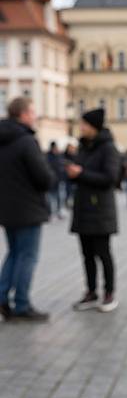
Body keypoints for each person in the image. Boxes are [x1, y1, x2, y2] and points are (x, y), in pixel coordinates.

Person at [0, 97, 55, 321]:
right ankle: (22, 304)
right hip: (28, 209)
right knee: (27, 257)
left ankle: (2, 298)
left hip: (6, 209)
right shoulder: (26, 140)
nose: (35, 116)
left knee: (13, 253)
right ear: (22, 114)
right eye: (32, 112)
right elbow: (43, 177)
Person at [67, 108, 121, 313]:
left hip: (100, 211)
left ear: (94, 127)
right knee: (87, 254)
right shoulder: (83, 146)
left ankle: (109, 293)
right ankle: (91, 292)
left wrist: (81, 173)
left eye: (84, 124)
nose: (81, 128)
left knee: (103, 254)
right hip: (82, 209)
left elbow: (110, 177)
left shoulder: (108, 148)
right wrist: (73, 173)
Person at [46, 141, 65, 219]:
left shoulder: (59, 156)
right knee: (50, 198)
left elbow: (61, 166)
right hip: (51, 181)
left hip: (59, 180)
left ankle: (59, 212)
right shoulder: (47, 156)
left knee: (60, 197)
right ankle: (50, 213)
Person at [63, 143, 77, 208]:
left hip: (73, 178)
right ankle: (66, 204)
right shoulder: (64, 155)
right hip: (66, 178)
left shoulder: (75, 155)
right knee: (67, 192)